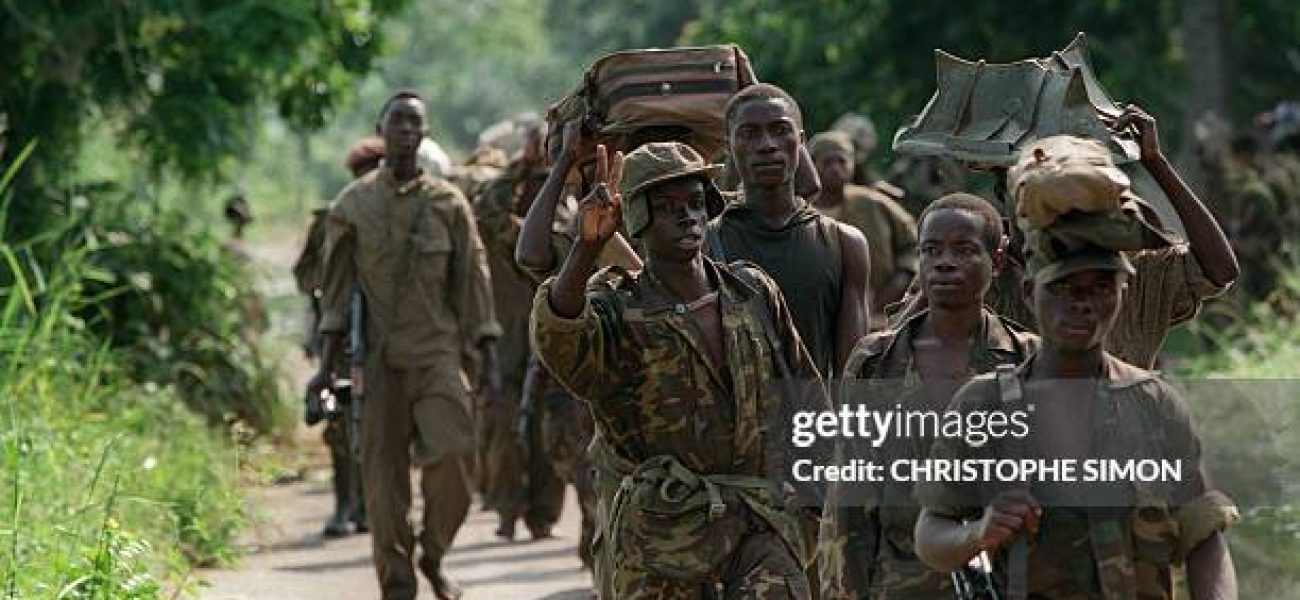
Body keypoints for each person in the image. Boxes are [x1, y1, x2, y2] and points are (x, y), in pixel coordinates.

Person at [532, 142, 829, 598]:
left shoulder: (750, 290)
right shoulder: (619, 307)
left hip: (759, 519)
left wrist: (818, 499)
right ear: (636, 219)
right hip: (664, 532)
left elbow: (805, 395)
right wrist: (585, 249)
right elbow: (561, 342)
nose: (687, 216)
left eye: (694, 203)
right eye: (667, 207)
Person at [912, 241, 1239, 599]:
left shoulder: (1153, 402)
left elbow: (1204, 534)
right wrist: (977, 534)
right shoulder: (983, 405)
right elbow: (930, 532)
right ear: (1029, 291)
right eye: (1062, 287)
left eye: (1101, 288)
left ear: (1121, 294)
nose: (1082, 304)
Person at [306, 91, 502, 600]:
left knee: (457, 452)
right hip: (376, 359)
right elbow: (336, 294)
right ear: (382, 128)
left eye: (416, 123)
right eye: (398, 121)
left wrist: (487, 349)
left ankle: (432, 555)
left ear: (426, 132)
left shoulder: (448, 204)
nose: (407, 130)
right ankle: (398, 586)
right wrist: (324, 371)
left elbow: (473, 279)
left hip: (436, 352)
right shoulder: (352, 205)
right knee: (383, 481)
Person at [818, 193, 1038, 599]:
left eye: (965, 250)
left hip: (1003, 579)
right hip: (900, 581)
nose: (945, 262)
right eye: (931, 250)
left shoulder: (1027, 360)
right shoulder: (875, 361)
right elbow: (849, 499)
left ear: (999, 261)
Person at [704, 84, 872, 376]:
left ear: (801, 141)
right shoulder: (705, 244)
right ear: (728, 145)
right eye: (749, 133)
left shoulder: (844, 244)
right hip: (736, 421)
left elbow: (851, 375)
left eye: (780, 130)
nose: (767, 144)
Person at [471, 121, 566, 541]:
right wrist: (519, 169)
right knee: (505, 429)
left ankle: (543, 516)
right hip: (508, 333)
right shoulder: (503, 200)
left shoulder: (570, 201)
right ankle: (507, 510)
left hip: (552, 330)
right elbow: (486, 211)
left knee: (551, 431)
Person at [292, 135, 384, 538]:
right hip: (342, 331)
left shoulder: (403, 215)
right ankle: (344, 504)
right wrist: (332, 288)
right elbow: (304, 274)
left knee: (381, 423)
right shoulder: (333, 218)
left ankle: (370, 504)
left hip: (386, 334)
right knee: (340, 420)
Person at [809, 131, 918, 322]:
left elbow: (914, 244)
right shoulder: (799, 211)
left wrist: (899, 283)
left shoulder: (874, 204)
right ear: (812, 164)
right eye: (828, 162)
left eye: (841, 161)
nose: (836, 169)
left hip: (881, 316)